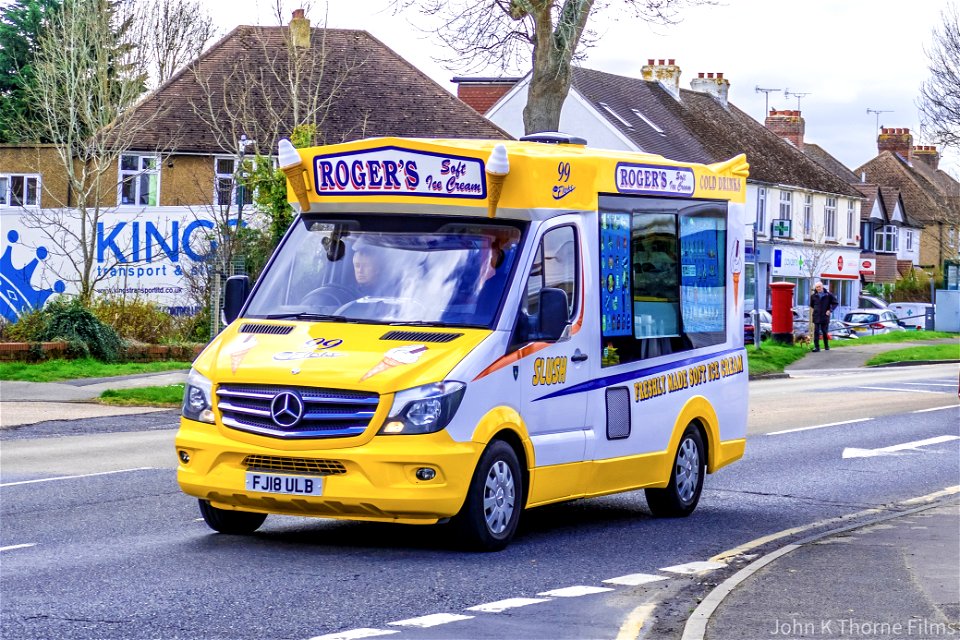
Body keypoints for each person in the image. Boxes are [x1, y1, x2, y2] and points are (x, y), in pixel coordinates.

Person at [809, 280, 838, 352]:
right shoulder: (813, 296)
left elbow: (835, 303)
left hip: (825, 316)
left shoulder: (828, 295)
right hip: (816, 316)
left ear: (822, 287)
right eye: (816, 287)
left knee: (824, 331)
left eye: (819, 287)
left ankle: (826, 346)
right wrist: (816, 310)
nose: (818, 288)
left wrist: (830, 310)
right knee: (816, 331)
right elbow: (812, 305)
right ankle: (817, 347)